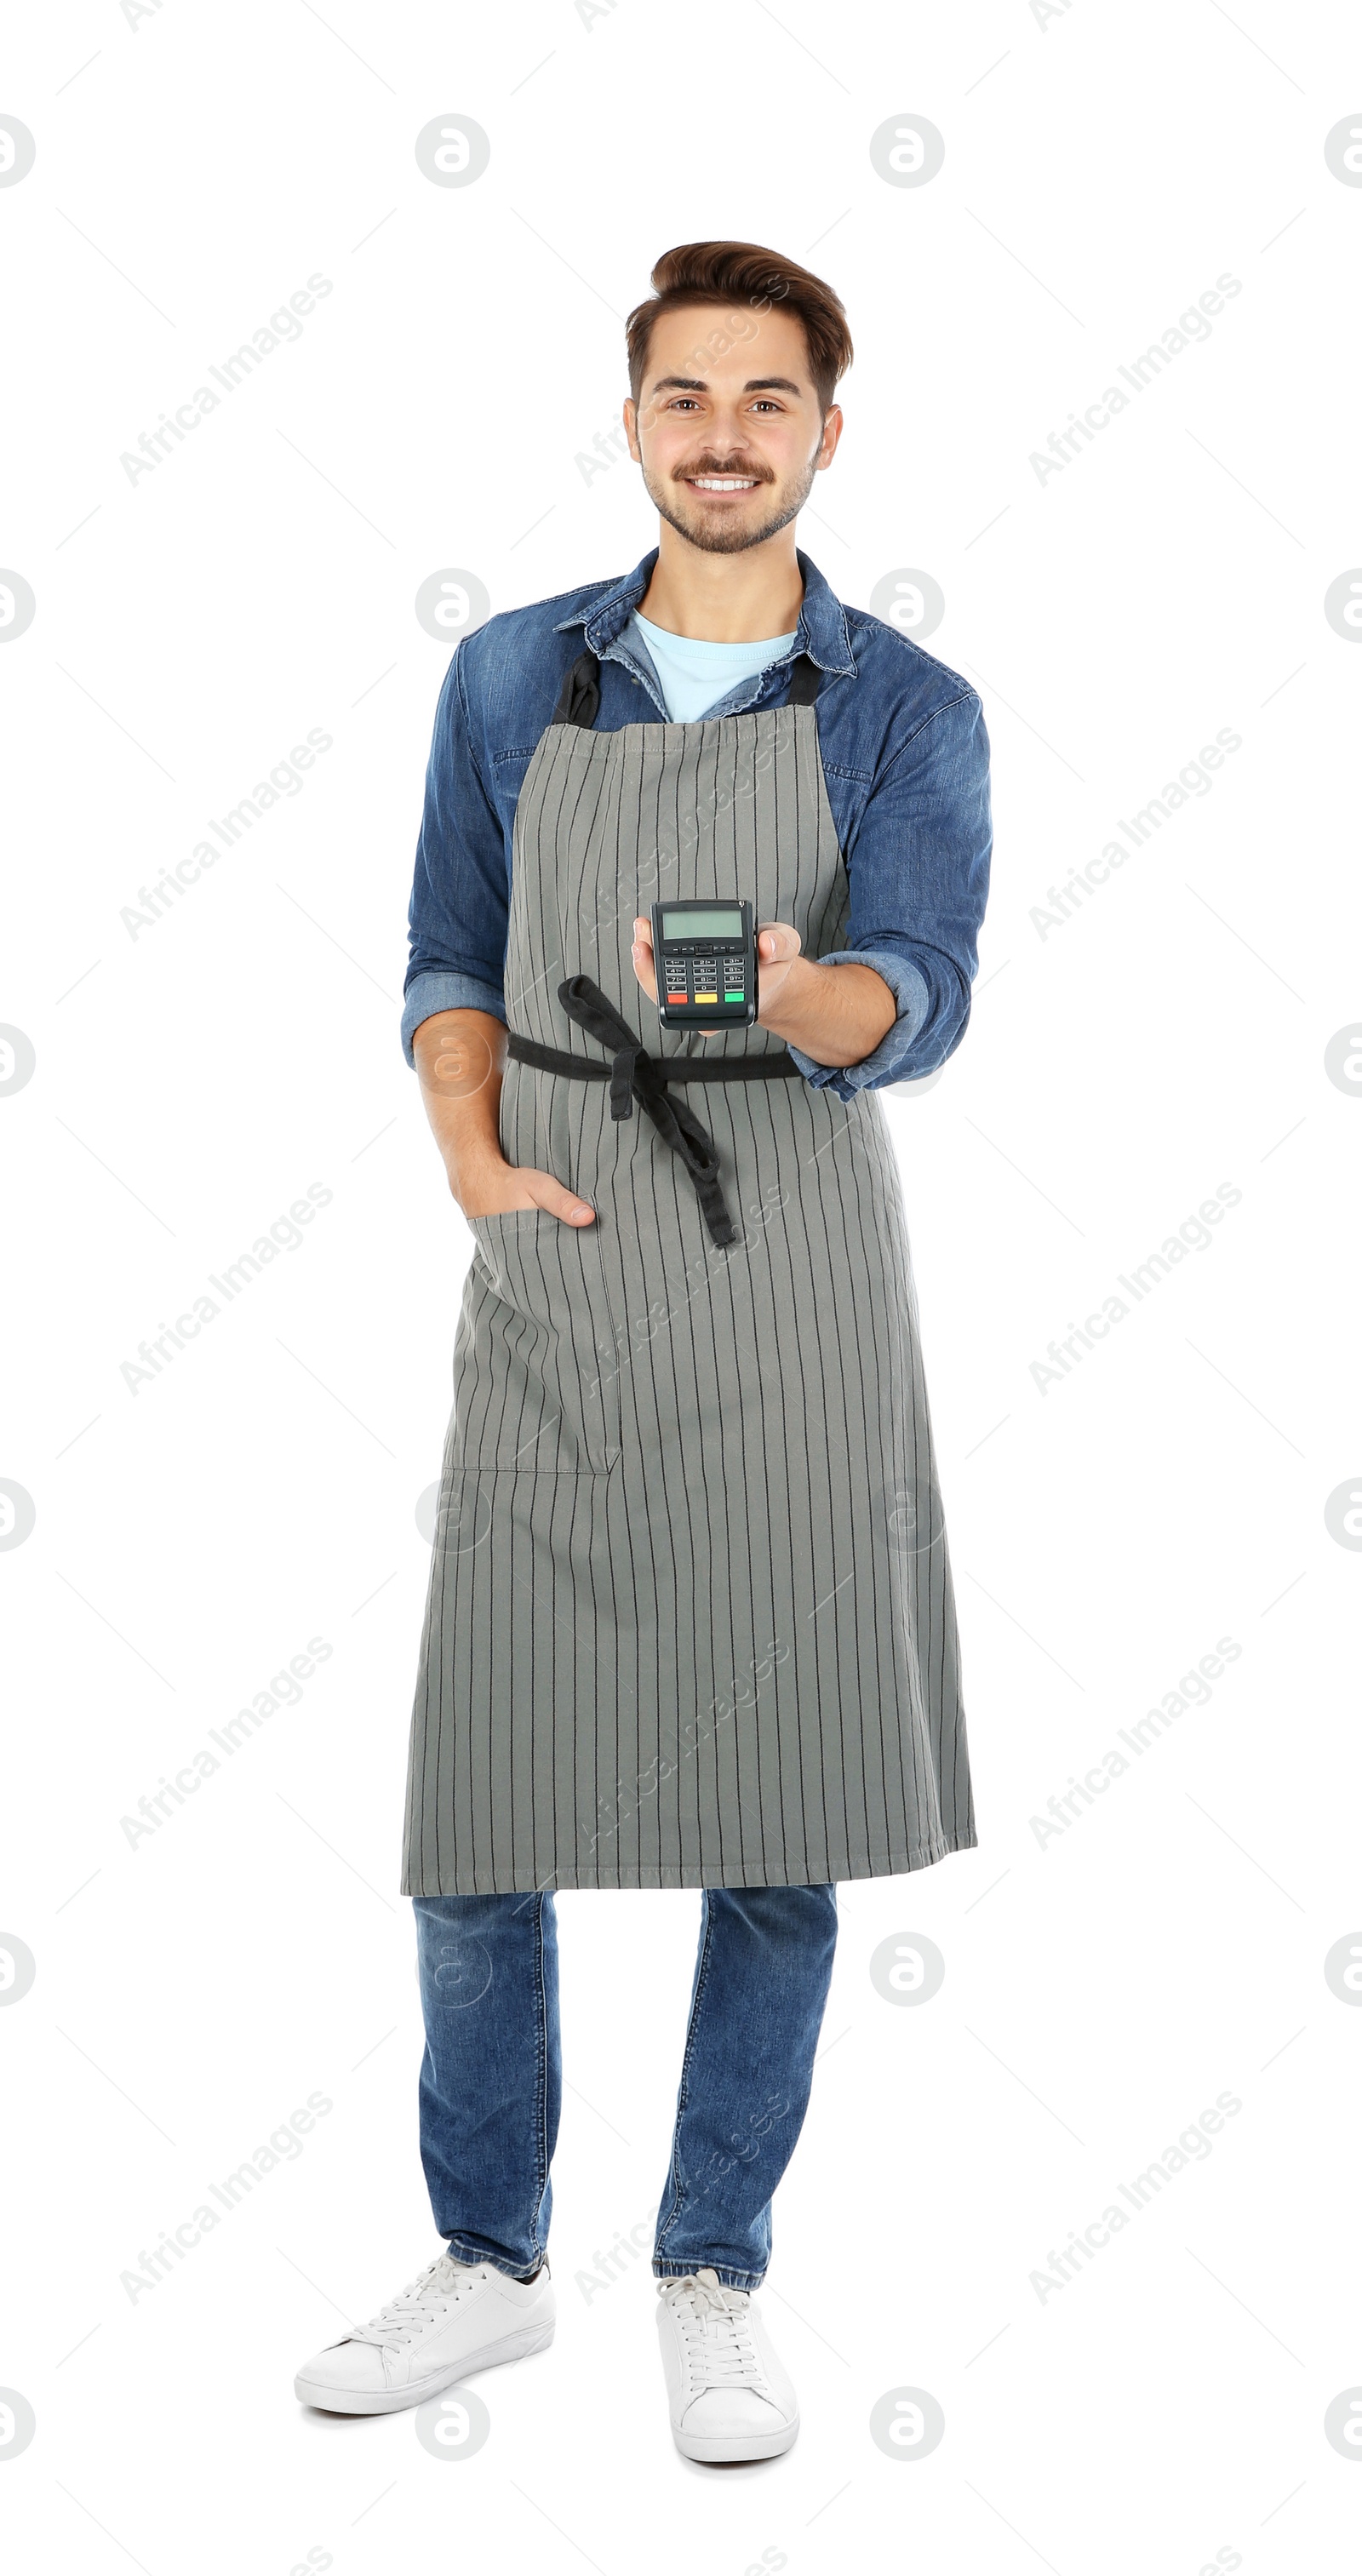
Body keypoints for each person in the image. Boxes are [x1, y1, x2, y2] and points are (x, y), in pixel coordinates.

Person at [294, 239, 992, 2462]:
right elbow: (438, 949)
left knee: (776, 1821)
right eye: (685, 396)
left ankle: (711, 2266)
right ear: (634, 423)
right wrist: (475, 1157)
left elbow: (926, 987)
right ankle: (490, 2259)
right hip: (567, 1273)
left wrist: (808, 1001)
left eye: (766, 401)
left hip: (790, 1283)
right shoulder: (516, 680)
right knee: (479, 1796)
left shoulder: (901, 705)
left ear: (824, 433)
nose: (722, 435)